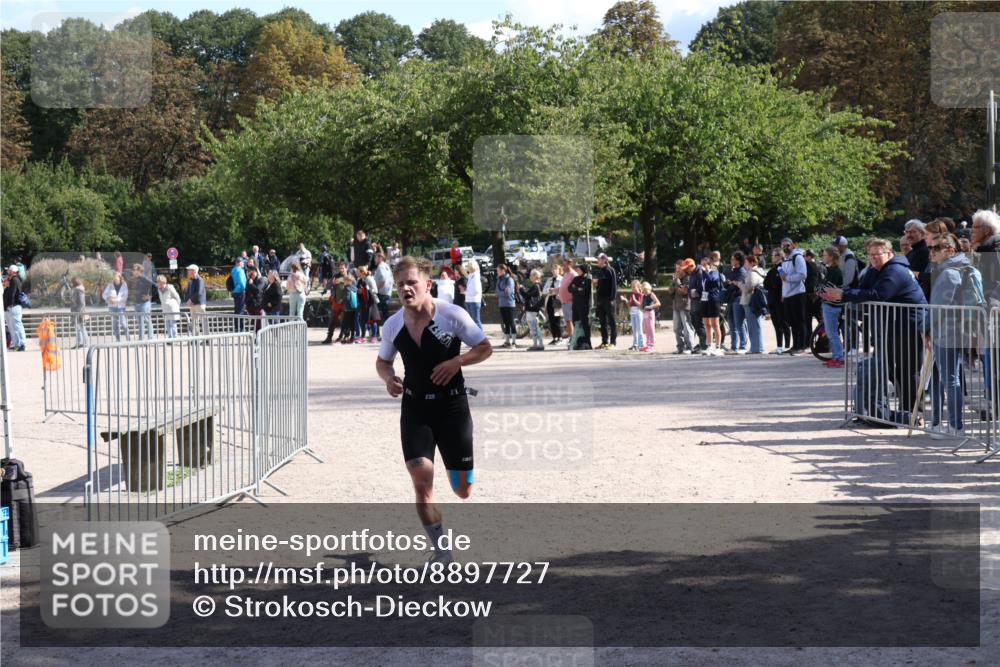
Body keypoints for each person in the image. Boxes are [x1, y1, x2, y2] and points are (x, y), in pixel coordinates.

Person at [375, 256, 491, 565]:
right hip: (415, 408)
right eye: (400, 284)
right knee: (421, 478)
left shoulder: (452, 315)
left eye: (412, 282)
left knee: (462, 489)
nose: (406, 289)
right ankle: (442, 551)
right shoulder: (393, 325)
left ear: (428, 285)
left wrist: (457, 361)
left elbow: (484, 347)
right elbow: (383, 362)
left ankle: (462, 481)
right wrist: (389, 379)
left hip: (452, 406)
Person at [820, 238, 926, 425]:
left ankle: (914, 413)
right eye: (871, 255)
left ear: (889, 254)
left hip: (908, 325)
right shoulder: (874, 270)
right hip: (890, 326)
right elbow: (862, 290)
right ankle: (893, 412)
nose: (875, 258)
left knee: (907, 370)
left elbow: (878, 294)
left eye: (879, 254)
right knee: (887, 369)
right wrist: (842, 294)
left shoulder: (895, 270)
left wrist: (844, 295)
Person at [925, 233, 978, 439]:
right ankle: (942, 423)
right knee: (944, 377)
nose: (932, 252)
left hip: (948, 330)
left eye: (936, 249)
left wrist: (927, 328)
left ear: (950, 250)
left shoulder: (949, 272)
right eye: (931, 248)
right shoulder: (955, 268)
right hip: (952, 329)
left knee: (949, 378)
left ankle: (955, 425)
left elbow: (939, 307)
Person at [779, 237, 809, 355]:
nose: (785, 247)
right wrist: (783, 293)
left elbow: (802, 275)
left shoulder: (798, 257)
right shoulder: (785, 259)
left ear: (793, 245)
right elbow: (783, 279)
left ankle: (802, 346)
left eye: (787, 245)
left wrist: (788, 278)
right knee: (792, 322)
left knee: (800, 321)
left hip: (798, 294)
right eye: (783, 245)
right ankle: (795, 345)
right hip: (788, 295)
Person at [819, 247, 845, 368]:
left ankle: (839, 357)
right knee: (831, 333)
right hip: (830, 305)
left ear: (831, 257)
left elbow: (827, 289)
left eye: (824, 255)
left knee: (832, 333)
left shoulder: (834, 271)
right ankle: (836, 356)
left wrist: (818, 290)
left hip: (832, 306)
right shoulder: (831, 270)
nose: (823, 257)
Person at [764, 249, 789, 353]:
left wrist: (773, 285)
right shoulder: (772, 269)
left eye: (774, 255)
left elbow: (779, 283)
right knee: (776, 323)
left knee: (783, 323)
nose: (772, 257)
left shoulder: (782, 267)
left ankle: (786, 345)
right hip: (772, 299)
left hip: (780, 299)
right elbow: (766, 284)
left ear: (779, 256)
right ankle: (779, 345)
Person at [740, 255, 767, 354]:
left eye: (746, 262)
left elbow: (747, 288)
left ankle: (756, 348)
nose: (745, 264)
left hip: (751, 301)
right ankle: (757, 347)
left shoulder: (752, 273)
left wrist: (739, 284)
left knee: (754, 326)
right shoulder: (759, 272)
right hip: (755, 301)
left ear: (752, 263)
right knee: (756, 325)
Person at [669, 259, 695, 354]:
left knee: (687, 327)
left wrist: (677, 282)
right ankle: (680, 347)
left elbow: (684, 291)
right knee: (676, 328)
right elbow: (670, 291)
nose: (677, 271)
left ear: (683, 269)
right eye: (676, 269)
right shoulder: (676, 279)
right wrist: (674, 284)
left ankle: (689, 347)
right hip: (676, 306)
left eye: (679, 269)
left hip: (685, 306)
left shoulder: (687, 278)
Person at [699, 256, 724, 356]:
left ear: (709, 264)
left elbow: (712, 280)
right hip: (705, 299)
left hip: (714, 299)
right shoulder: (702, 274)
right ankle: (709, 345)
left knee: (715, 324)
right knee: (707, 324)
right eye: (702, 263)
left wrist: (705, 271)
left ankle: (718, 347)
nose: (702, 265)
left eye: (704, 263)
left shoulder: (714, 270)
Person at [724, 251, 748, 354]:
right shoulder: (733, 271)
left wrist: (731, 283)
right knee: (731, 324)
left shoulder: (742, 271)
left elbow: (737, 286)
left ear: (738, 261)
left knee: (739, 323)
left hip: (738, 299)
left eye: (733, 259)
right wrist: (729, 283)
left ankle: (743, 346)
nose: (731, 261)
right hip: (730, 299)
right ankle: (734, 347)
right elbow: (727, 284)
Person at [593, 253, 618, 349]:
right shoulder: (601, 271)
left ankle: (613, 342)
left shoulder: (610, 270)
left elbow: (614, 285)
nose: (597, 261)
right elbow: (602, 284)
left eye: (598, 259)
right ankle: (604, 342)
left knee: (611, 321)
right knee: (602, 322)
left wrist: (612, 298)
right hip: (601, 300)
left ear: (604, 260)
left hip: (608, 300)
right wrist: (597, 283)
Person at [568, 263, 593, 350]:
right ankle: (577, 340)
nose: (577, 271)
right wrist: (577, 289)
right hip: (575, 304)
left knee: (585, 323)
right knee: (575, 322)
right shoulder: (575, 279)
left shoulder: (587, 280)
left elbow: (583, 292)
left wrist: (576, 288)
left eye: (579, 270)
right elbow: (569, 289)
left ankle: (588, 342)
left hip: (583, 305)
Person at [2, 265, 26, 351]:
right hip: (10, 306)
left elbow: (11, 294)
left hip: (13, 306)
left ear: (13, 271)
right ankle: (16, 344)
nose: (7, 271)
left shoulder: (15, 280)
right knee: (12, 327)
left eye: (9, 270)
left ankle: (21, 344)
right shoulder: (11, 280)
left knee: (17, 326)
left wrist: (9, 305)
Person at [521, 269, 545, 351]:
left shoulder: (536, 286)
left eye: (531, 275)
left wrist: (521, 290)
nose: (530, 277)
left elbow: (527, 296)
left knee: (534, 327)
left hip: (532, 309)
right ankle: (536, 343)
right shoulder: (537, 286)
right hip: (533, 309)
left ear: (535, 276)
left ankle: (539, 344)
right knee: (532, 327)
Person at [131, 263, 155, 340]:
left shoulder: (144, 278)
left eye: (134, 270)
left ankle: (151, 337)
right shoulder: (134, 279)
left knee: (147, 320)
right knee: (140, 322)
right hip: (137, 303)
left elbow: (155, 286)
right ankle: (141, 339)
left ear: (139, 271)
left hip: (144, 304)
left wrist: (150, 296)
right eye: (133, 270)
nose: (132, 271)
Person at [688, 259, 708, 351]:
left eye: (687, 268)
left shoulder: (699, 273)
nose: (686, 270)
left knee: (699, 323)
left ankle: (704, 344)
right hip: (694, 301)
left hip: (699, 302)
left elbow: (702, 288)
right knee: (695, 322)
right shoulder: (692, 274)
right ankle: (702, 342)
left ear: (692, 266)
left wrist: (702, 300)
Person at [103, 272, 130, 341]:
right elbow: (104, 294)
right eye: (114, 277)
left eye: (116, 277)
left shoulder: (124, 285)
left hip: (121, 307)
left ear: (119, 277)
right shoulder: (110, 285)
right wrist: (108, 299)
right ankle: (118, 339)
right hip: (112, 307)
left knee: (123, 323)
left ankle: (128, 337)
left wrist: (115, 300)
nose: (115, 278)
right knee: (114, 324)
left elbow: (125, 296)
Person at [496, 264, 517, 348]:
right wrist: (502, 292)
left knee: (511, 322)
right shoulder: (499, 280)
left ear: (503, 271)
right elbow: (497, 291)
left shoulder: (509, 280)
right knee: (506, 323)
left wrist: (500, 292)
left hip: (509, 304)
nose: (497, 272)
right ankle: (507, 341)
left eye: (498, 270)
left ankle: (514, 342)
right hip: (502, 304)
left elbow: (508, 292)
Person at [621, 279, 645, 351]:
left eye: (634, 287)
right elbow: (630, 305)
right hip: (633, 313)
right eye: (632, 287)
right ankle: (635, 344)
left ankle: (641, 344)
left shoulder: (641, 295)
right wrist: (625, 300)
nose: (633, 289)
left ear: (638, 287)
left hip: (638, 313)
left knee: (639, 329)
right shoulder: (632, 295)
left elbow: (640, 305)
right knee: (634, 329)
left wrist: (634, 299)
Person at [543, 264, 564, 345]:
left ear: (559, 270)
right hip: (549, 300)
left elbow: (562, 290)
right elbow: (544, 290)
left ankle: (560, 337)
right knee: (551, 320)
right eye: (553, 269)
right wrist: (549, 290)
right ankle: (554, 337)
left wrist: (555, 291)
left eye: (556, 269)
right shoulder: (549, 280)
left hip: (557, 300)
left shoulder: (561, 279)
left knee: (557, 320)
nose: (554, 271)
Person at [156, 274, 181, 339]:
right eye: (157, 282)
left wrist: (177, 306)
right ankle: (170, 337)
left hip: (172, 309)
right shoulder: (159, 289)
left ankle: (174, 338)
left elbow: (177, 297)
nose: (157, 283)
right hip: (165, 309)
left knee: (172, 324)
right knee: (167, 324)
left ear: (162, 282)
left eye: (158, 282)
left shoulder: (170, 287)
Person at [185, 264, 207, 336]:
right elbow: (188, 292)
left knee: (203, 321)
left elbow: (199, 292)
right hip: (193, 304)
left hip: (199, 304)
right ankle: (196, 337)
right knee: (194, 322)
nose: (187, 271)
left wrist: (191, 300)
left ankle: (206, 338)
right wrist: (188, 299)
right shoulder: (191, 280)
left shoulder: (199, 280)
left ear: (194, 271)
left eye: (189, 270)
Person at [558, 258, 577, 341]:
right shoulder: (566, 274)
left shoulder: (573, 275)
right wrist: (555, 290)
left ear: (569, 264)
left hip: (570, 301)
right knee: (568, 321)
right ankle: (571, 338)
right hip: (564, 302)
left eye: (564, 265)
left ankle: (573, 338)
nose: (563, 267)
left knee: (571, 321)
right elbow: (563, 287)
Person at [69, 277, 89, 348]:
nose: (71, 284)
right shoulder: (75, 290)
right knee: (78, 328)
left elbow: (81, 303)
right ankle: (79, 343)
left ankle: (86, 343)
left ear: (75, 282)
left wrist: (78, 313)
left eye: (72, 282)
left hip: (79, 312)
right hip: (75, 311)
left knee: (82, 328)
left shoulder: (79, 290)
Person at [244, 267, 266, 333]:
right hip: (250, 305)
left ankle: (259, 338)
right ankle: (256, 337)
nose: (250, 274)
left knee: (259, 323)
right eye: (248, 272)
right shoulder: (249, 280)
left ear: (256, 272)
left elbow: (257, 290)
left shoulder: (261, 280)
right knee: (254, 323)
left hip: (258, 304)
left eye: (252, 272)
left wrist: (251, 284)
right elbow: (247, 292)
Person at [374, 253, 394, 322]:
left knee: (376, 313)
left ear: (380, 258)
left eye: (375, 258)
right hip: (387, 293)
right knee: (385, 314)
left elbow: (382, 281)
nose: (374, 260)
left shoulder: (380, 267)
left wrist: (375, 289)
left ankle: (377, 331)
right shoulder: (386, 266)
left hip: (381, 294)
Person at [640, 282, 660, 352]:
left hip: (650, 313)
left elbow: (658, 303)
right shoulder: (643, 296)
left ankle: (652, 345)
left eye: (646, 290)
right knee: (647, 330)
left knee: (651, 330)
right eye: (643, 290)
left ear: (649, 289)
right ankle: (648, 344)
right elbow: (641, 305)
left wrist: (650, 306)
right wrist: (641, 306)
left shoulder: (651, 294)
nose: (645, 292)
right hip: (645, 313)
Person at [464, 260, 483, 330]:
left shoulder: (476, 276)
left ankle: (481, 336)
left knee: (476, 320)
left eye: (469, 266)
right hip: (469, 300)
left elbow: (476, 291)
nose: (468, 268)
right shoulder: (471, 276)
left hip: (474, 301)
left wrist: (465, 292)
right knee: (472, 321)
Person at [230, 257, 248, 331]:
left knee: (236, 310)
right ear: (239, 262)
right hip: (240, 291)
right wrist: (244, 288)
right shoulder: (240, 270)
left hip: (234, 291)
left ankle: (236, 327)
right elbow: (241, 282)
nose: (243, 263)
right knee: (241, 310)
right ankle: (241, 328)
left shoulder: (233, 270)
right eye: (242, 262)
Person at [341, 275, 359, 344]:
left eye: (345, 280)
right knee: (352, 322)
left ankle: (346, 337)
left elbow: (347, 298)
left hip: (348, 308)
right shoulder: (355, 288)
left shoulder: (346, 288)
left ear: (349, 281)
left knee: (345, 323)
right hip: (354, 307)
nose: (344, 282)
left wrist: (342, 300)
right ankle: (352, 337)